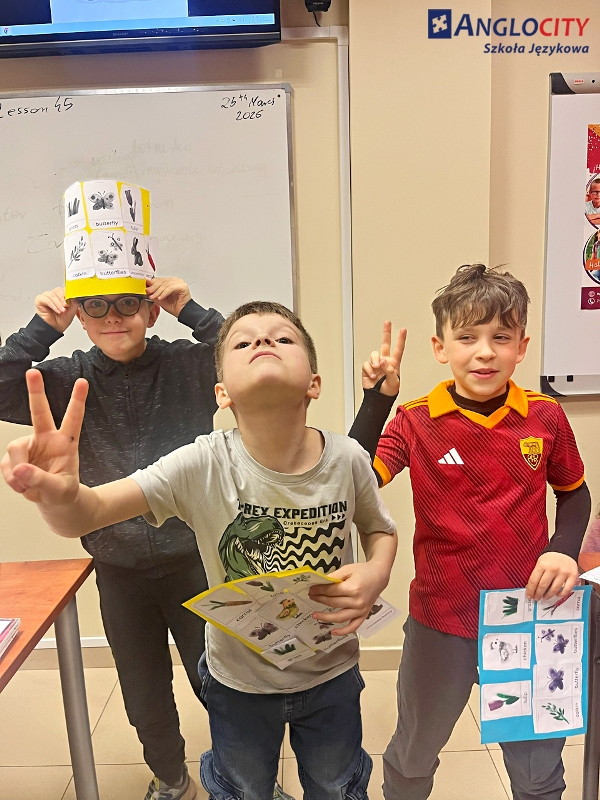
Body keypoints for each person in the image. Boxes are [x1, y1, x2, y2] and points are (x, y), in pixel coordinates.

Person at [1, 300, 398, 800]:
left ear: (314, 383)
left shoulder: (349, 458)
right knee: (242, 787)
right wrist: (60, 498)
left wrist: (377, 572)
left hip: (332, 673)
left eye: (282, 338)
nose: (263, 342)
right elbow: (89, 512)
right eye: (244, 342)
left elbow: (380, 530)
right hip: (238, 684)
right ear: (221, 393)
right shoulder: (201, 463)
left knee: (336, 786)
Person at [350, 264, 591, 800]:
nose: (484, 352)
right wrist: (376, 401)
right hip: (442, 618)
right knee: (414, 752)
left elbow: (575, 494)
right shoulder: (414, 420)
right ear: (441, 347)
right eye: (467, 337)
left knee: (537, 766)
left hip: (529, 612)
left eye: (500, 337)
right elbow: (353, 482)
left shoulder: (545, 416)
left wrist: (563, 550)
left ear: (521, 347)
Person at [0, 276, 223, 800]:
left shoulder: (188, 366)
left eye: (127, 303)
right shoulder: (66, 379)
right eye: (96, 306)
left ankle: (244, 771)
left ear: (151, 311)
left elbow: (248, 356)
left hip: (196, 560)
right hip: (119, 570)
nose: (113, 316)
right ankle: (172, 780)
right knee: (144, 695)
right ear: (79, 316)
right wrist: (40, 330)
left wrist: (191, 309)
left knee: (222, 682)